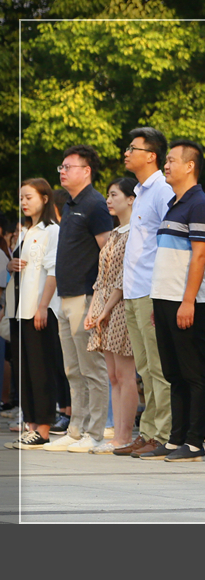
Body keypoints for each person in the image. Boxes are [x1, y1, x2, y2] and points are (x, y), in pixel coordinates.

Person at [141, 140, 205, 462]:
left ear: (190, 166)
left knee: (193, 372)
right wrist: (159, 302)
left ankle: (195, 442)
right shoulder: (174, 204)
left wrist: (188, 301)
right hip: (165, 298)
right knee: (173, 373)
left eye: (172, 160)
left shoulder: (200, 204)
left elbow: (200, 256)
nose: (166, 166)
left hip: (187, 301)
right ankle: (176, 439)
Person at [44, 145, 113, 453]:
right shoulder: (71, 205)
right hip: (66, 296)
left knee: (92, 369)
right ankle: (75, 430)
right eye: (61, 166)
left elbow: (107, 254)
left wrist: (99, 299)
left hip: (86, 296)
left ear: (86, 171)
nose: (62, 171)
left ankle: (95, 433)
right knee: (72, 369)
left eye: (68, 166)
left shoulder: (96, 204)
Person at [114, 127, 175, 457]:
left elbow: (171, 241)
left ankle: (162, 434)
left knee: (158, 367)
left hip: (152, 290)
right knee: (143, 368)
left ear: (151, 155)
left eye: (132, 148)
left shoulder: (162, 190)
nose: (126, 153)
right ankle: (148, 431)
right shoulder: (140, 192)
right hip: (133, 290)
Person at [83, 178, 139, 453]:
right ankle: (117, 434)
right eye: (107, 195)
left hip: (122, 306)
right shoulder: (115, 233)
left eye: (114, 194)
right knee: (113, 376)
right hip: (105, 306)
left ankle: (125, 436)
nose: (108, 199)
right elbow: (102, 277)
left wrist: (105, 309)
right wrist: (95, 308)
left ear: (131, 199)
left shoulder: (135, 233)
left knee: (126, 375)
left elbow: (123, 278)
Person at [7, 179, 60, 448]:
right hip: (18, 310)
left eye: (29, 197)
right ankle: (30, 426)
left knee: (41, 370)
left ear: (45, 198)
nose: (24, 203)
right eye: (21, 198)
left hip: (38, 310)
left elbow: (53, 271)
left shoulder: (52, 231)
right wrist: (11, 265)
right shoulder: (26, 231)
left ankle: (44, 429)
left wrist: (42, 307)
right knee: (24, 370)